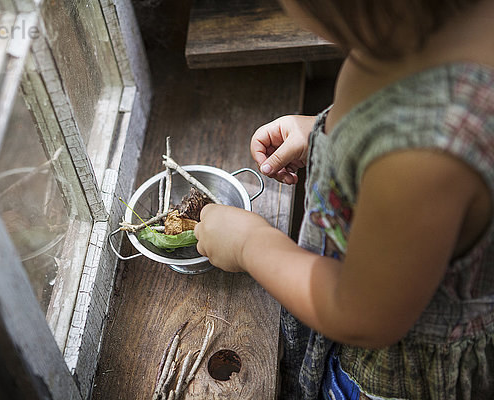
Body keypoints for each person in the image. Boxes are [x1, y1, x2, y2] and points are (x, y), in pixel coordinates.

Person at [193, 0, 494, 398]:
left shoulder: (422, 159)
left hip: (391, 374)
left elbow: (363, 315)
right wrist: (330, 134)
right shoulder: (434, 24)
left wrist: (251, 243)